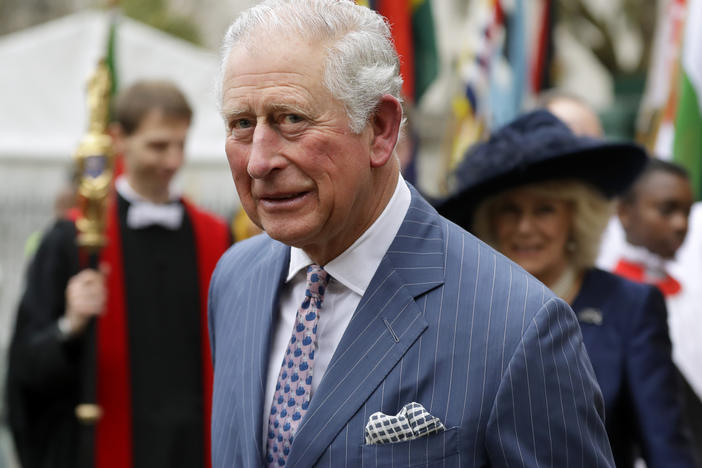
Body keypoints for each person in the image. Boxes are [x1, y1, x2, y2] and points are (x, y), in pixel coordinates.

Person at [209, 1, 614, 467]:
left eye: (291, 120)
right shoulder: (235, 280)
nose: (259, 161)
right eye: (242, 123)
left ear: (381, 129)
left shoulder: (517, 326)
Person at [439, 109, 697, 467]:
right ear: (489, 221)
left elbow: (668, 451)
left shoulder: (630, 307)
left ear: (576, 219)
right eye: (510, 210)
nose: (525, 227)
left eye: (545, 210)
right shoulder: (461, 310)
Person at [7, 80, 231, 468]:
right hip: (108, 446)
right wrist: (70, 326)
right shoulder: (73, 240)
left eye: (181, 144)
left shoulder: (216, 237)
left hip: (196, 445)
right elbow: (25, 366)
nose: (173, 161)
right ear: (118, 139)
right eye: (158, 145)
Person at [604, 159, 702, 460]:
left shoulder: (692, 291)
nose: (681, 224)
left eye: (686, 211)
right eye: (666, 209)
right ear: (624, 211)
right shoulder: (606, 300)